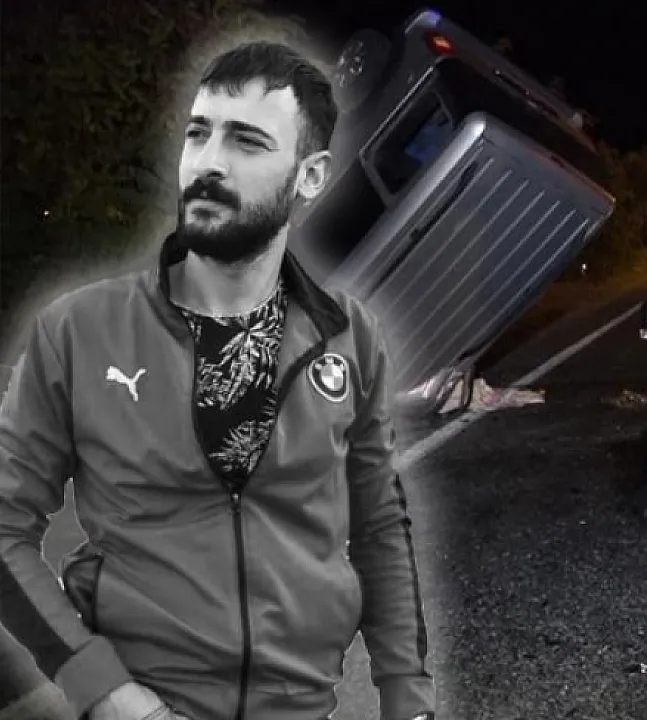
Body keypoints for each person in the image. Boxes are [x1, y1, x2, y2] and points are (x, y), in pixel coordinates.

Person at [0, 42, 435, 720]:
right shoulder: (80, 330)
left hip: (299, 707)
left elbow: (378, 526)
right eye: (198, 133)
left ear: (310, 177)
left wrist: (408, 696)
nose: (208, 162)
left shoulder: (349, 336)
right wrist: (106, 692)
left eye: (247, 142)